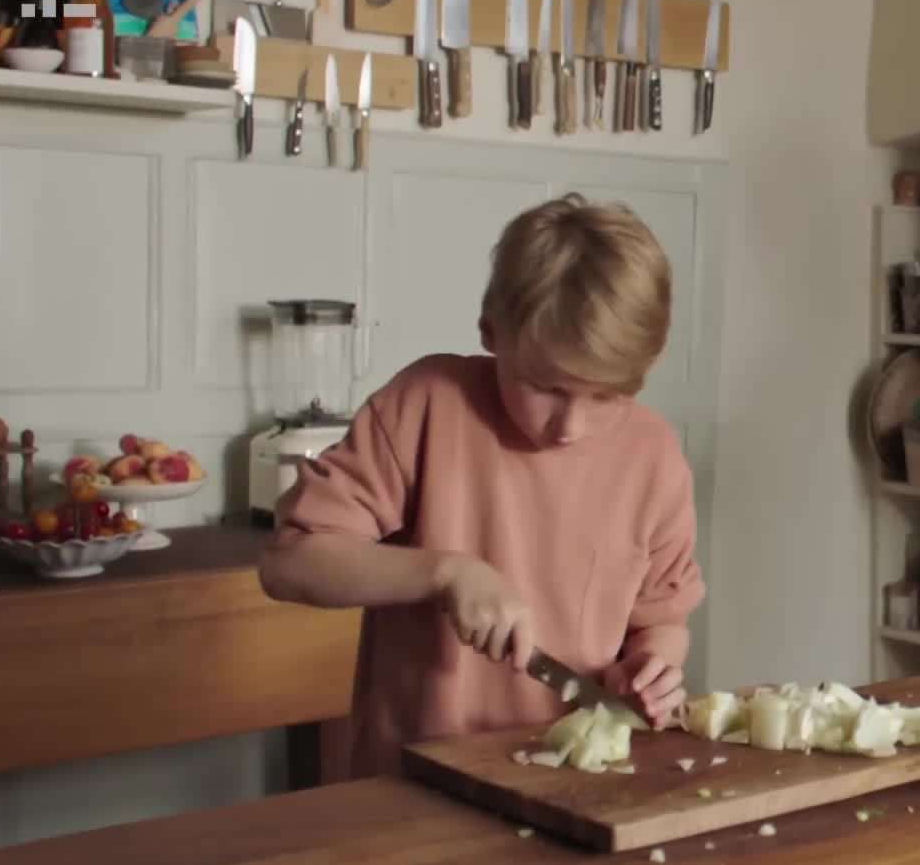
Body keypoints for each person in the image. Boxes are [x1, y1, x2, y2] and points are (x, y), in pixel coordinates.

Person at [258, 193, 704, 780]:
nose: (572, 427)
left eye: (606, 395)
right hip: (414, 786)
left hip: (580, 785)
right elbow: (291, 564)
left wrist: (650, 669)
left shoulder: (655, 455)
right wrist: (444, 574)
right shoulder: (427, 406)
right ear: (492, 330)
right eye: (545, 386)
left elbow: (661, 621)